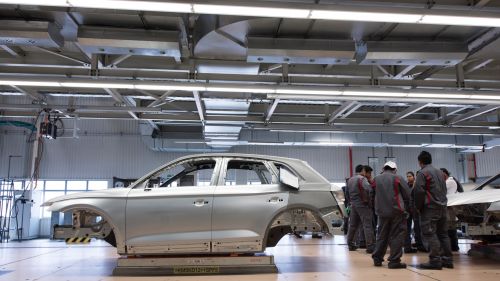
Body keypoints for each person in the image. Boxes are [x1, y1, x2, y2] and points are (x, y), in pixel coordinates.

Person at [413, 151, 453, 270]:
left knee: (429, 233)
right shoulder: (440, 173)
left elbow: (419, 191)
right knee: (443, 234)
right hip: (442, 206)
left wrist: (418, 207)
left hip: (430, 208)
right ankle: (448, 260)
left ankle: (435, 260)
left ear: (420, 162)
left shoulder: (422, 173)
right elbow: (444, 189)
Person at [371, 161, 411, 269]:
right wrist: (407, 208)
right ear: (394, 169)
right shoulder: (398, 178)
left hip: (381, 212)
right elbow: (407, 195)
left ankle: (377, 258)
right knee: (397, 235)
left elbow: (371, 195)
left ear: (383, 168)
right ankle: (394, 261)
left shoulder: (376, 179)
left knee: (382, 235)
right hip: (396, 212)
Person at [346, 164, 375, 253]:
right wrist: (370, 201)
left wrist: (351, 201)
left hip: (353, 205)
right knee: (367, 225)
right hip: (363, 205)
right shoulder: (362, 179)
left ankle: (350, 244)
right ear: (362, 170)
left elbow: (346, 193)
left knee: (353, 225)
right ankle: (370, 246)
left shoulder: (350, 180)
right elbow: (369, 189)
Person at [406, 171, 426, 252]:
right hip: (408, 209)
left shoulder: (417, 185)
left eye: (410, 176)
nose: (408, 178)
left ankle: (420, 243)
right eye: (407, 176)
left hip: (416, 209)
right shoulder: (406, 185)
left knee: (417, 227)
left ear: (414, 177)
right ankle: (408, 244)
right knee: (408, 227)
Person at [441, 168, 460, 252]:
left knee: (451, 227)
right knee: (450, 227)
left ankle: (454, 246)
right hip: (448, 207)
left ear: (445, 174)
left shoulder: (449, 182)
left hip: (450, 207)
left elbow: (441, 190)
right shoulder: (448, 181)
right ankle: (453, 246)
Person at [357, 165, 376, 248]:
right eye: (370, 173)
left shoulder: (355, 180)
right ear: (365, 172)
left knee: (362, 224)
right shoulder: (364, 181)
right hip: (367, 206)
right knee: (368, 225)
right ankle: (369, 243)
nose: (370, 175)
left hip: (359, 206)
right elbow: (371, 192)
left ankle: (362, 241)